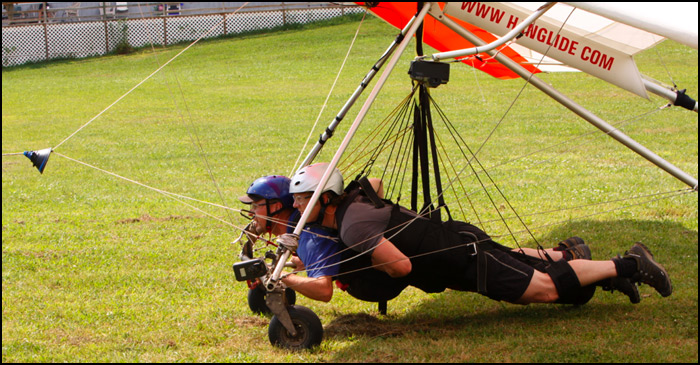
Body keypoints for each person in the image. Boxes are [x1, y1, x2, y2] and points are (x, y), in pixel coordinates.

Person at [280, 162, 671, 306]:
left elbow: (399, 268)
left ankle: (631, 262)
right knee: (524, 263)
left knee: (545, 289)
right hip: (455, 241)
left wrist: (366, 261)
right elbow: (377, 182)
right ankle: (609, 273)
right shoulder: (357, 200)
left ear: (326, 198)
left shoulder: (352, 227)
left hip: (460, 259)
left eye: (302, 200)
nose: (296, 207)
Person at [239, 175, 345, 302]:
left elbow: (324, 291)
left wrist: (278, 275)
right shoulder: (294, 226)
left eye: (255, 206)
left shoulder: (308, 237)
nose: (251, 213)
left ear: (276, 207)